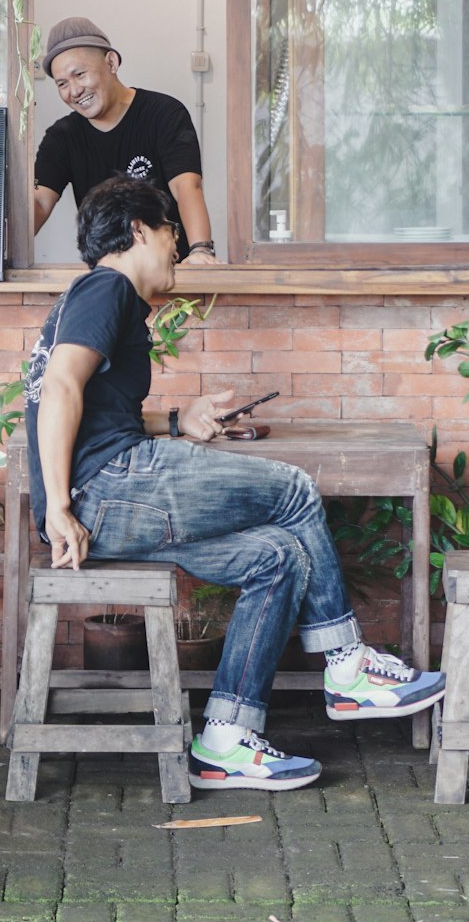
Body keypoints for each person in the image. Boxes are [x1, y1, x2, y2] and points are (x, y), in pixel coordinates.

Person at [24, 175, 446, 794]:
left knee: (275, 558)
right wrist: (60, 506)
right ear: (140, 230)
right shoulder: (106, 287)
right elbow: (60, 388)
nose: (181, 248)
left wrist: (177, 421)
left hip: (109, 496)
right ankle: (348, 667)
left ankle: (225, 740)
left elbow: (89, 404)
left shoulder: (95, 300)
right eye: (175, 232)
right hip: (106, 489)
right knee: (294, 489)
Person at [33, 16, 218, 265]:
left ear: (111, 62)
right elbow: (40, 202)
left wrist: (200, 251)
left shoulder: (164, 113)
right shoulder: (62, 137)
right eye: (62, 84)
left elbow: (186, 186)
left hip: (171, 271)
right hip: (106, 275)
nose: (74, 91)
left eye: (80, 74)